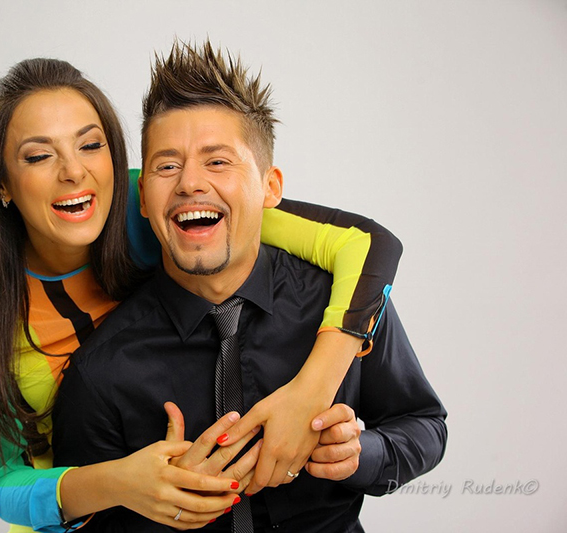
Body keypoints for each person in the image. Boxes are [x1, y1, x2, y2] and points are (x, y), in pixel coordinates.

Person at [0, 56, 403, 533]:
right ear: (2, 183)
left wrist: (309, 394)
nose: (73, 171)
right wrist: (124, 483)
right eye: (38, 156)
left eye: (90, 145)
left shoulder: (161, 203)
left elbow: (366, 244)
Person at [52, 40, 447, 532]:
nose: (189, 183)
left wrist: (361, 454)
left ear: (270, 187)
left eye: (218, 161)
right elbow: (78, 518)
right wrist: (156, 506)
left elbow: (425, 426)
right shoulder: (100, 369)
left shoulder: (341, 302)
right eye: (167, 166)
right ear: (144, 199)